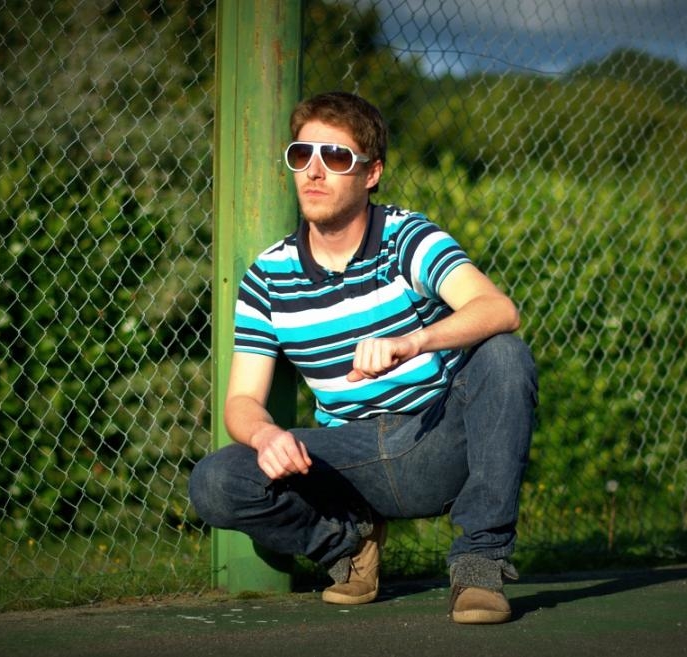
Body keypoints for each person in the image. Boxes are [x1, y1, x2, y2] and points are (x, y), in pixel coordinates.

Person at [189, 91, 537, 625]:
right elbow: (241, 401)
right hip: (345, 462)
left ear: (371, 173)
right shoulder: (267, 277)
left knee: (505, 356)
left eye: (336, 157)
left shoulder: (406, 237)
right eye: (302, 155)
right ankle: (347, 547)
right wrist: (265, 436)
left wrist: (412, 342)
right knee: (215, 481)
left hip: (434, 438)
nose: (314, 171)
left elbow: (498, 309)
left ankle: (479, 567)